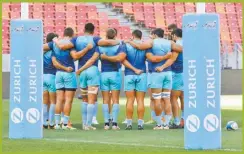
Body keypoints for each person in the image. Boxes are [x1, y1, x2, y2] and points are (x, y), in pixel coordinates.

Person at [54, 23, 120, 130]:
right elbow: (107, 42)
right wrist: (119, 41)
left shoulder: (76, 40)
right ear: (93, 31)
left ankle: (84, 124)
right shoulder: (95, 39)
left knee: (84, 99)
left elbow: (62, 47)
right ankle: (89, 124)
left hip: (82, 72)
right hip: (92, 70)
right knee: (91, 100)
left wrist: (56, 41)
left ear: (84, 29)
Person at [126, 28, 182, 130]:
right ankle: (167, 124)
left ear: (154, 35)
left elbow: (139, 46)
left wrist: (129, 41)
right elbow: (181, 49)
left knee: (157, 99)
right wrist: (169, 55)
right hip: (168, 72)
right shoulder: (169, 42)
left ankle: (160, 124)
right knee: (166, 99)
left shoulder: (152, 42)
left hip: (157, 73)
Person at [44, 27, 93, 130]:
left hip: (58, 74)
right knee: (68, 100)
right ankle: (65, 124)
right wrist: (86, 49)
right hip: (68, 73)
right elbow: (75, 56)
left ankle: (56, 124)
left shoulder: (54, 44)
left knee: (59, 100)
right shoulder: (71, 44)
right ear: (72, 34)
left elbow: (54, 62)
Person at [97, 28, 126, 130]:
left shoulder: (100, 46)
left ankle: (106, 123)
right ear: (115, 35)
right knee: (115, 99)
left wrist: (104, 57)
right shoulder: (120, 45)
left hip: (104, 73)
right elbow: (119, 58)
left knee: (105, 99)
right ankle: (114, 123)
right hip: (115, 73)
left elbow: (98, 57)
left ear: (106, 35)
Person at [157, 28, 184, 129]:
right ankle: (184, 119)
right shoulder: (189, 42)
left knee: (173, 98)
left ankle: (177, 122)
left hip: (178, 72)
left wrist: (162, 67)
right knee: (183, 97)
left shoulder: (177, 45)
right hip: (187, 73)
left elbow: (173, 59)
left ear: (174, 36)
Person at [43, 32, 58, 129]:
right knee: (53, 101)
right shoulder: (54, 52)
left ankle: (44, 122)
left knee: (45, 102)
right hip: (52, 76)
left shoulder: (43, 52)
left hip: (43, 76)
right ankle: (51, 123)